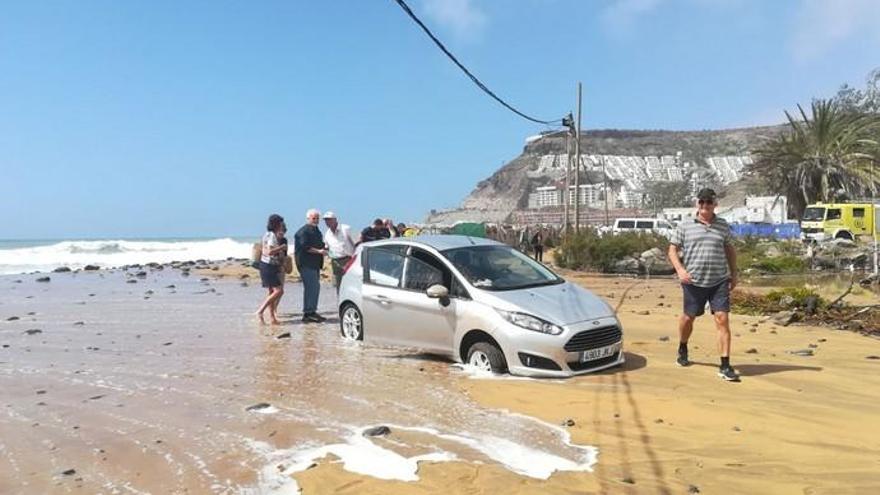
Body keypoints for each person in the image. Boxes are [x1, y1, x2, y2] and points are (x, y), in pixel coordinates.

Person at [668, 188, 739, 381]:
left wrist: (734, 273)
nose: (705, 205)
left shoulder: (723, 225)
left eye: (709, 202)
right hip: (693, 281)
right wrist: (680, 270)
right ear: (697, 204)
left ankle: (725, 365)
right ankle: (683, 346)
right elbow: (672, 250)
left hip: (719, 280)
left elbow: (730, 249)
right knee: (688, 318)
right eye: (702, 202)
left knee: (722, 318)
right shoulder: (685, 225)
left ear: (715, 204)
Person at [295, 209, 327, 323]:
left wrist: (325, 248)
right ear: (308, 218)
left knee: (315, 288)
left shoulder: (317, 231)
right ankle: (308, 313)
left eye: (317, 218)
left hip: (315, 264)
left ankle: (311, 312)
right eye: (314, 218)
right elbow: (305, 247)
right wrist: (319, 251)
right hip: (306, 264)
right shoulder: (303, 232)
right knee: (312, 288)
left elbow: (320, 244)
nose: (316, 220)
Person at [255, 214, 287, 325]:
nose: (281, 225)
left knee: (271, 292)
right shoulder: (271, 235)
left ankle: (272, 317)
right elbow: (270, 252)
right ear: (276, 224)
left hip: (266, 265)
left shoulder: (267, 234)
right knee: (279, 291)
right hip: (269, 266)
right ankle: (260, 311)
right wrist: (282, 247)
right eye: (280, 223)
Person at [323, 211, 356, 292]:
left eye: (329, 220)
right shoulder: (327, 234)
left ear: (335, 220)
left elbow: (357, 243)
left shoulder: (346, 229)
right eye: (326, 220)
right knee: (338, 285)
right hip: (335, 262)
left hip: (348, 259)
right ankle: (340, 302)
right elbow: (327, 248)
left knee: (350, 284)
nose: (327, 222)